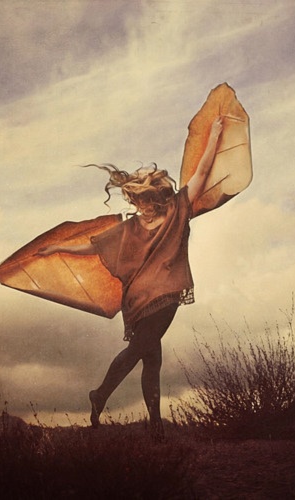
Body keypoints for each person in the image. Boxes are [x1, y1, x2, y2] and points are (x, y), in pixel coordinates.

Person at [37, 117, 223, 438]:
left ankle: (155, 426)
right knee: (141, 351)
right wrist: (57, 247)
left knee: (152, 358)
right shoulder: (169, 214)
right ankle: (101, 395)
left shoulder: (168, 213)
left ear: (154, 196)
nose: (144, 204)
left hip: (144, 299)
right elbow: (93, 246)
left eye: (147, 198)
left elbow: (202, 173)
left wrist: (214, 137)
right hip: (159, 297)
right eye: (141, 199)